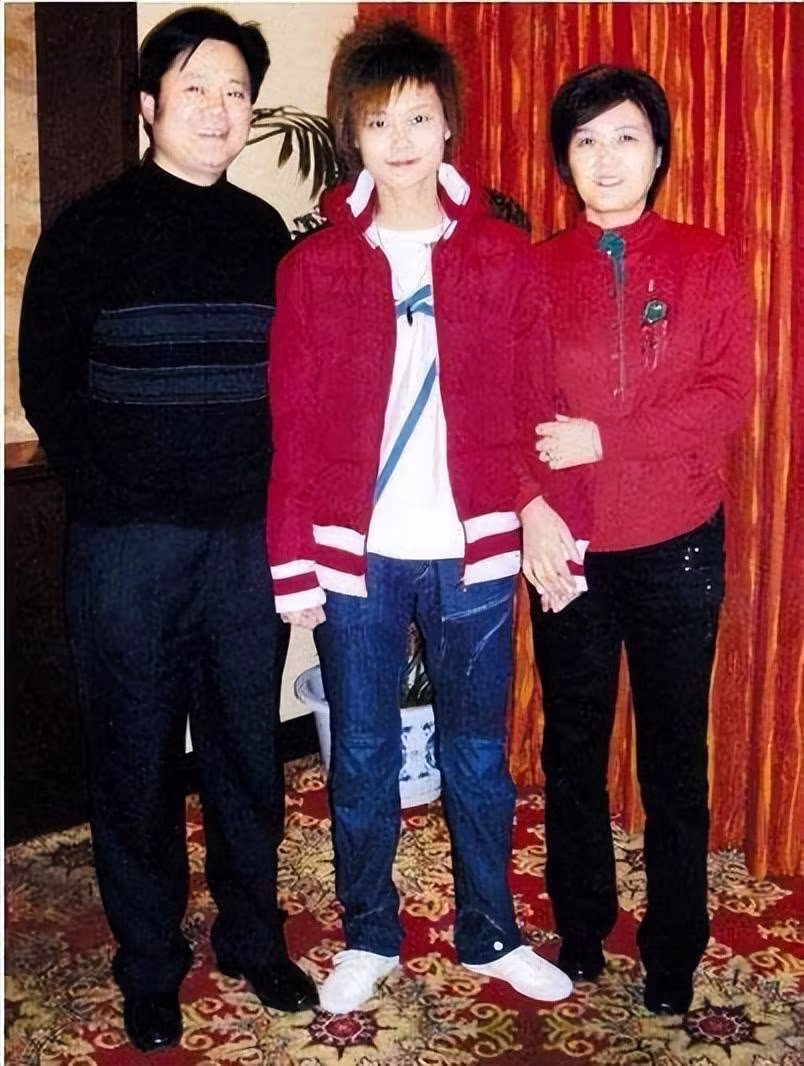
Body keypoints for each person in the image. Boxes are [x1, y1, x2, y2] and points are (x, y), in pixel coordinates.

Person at [18, 7, 317, 1053]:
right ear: (149, 105)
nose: (218, 109)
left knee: (247, 755)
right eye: (196, 88)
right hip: (129, 548)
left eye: (236, 92)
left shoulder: (262, 232)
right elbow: (49, 383)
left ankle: (251, 937)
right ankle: (148, 962)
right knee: (134, 758)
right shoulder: (90, 229)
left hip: (241, 547)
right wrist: (116, 494)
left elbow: (293, 387)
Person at [267, 19, 575, 1016]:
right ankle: (368, 933)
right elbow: (293, 423)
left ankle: (491, 932)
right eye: (378, 120)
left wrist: (546, 514)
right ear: (351, 133)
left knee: (478, 754)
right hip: (355, 554)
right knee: (359, 751)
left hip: (471, 549)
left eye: (418, 117)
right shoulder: (314, 268)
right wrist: (293, 563)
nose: (399, 138)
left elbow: (535, 401)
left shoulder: (502, 256)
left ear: (449, 128)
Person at [520, 65, 753, 1015]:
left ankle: (673, 948)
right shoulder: (536, 268)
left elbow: (727, 396)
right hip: (567, 547)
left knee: (673, 761)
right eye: (586, 140)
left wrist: (606, 437)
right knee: (572, 749)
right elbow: (505, 406)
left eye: (626, 137)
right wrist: (530, 505)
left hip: (678, 543)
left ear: (659, 153)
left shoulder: (707, 259)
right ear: (564, 159)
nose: (606, 158)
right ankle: (580, 928)